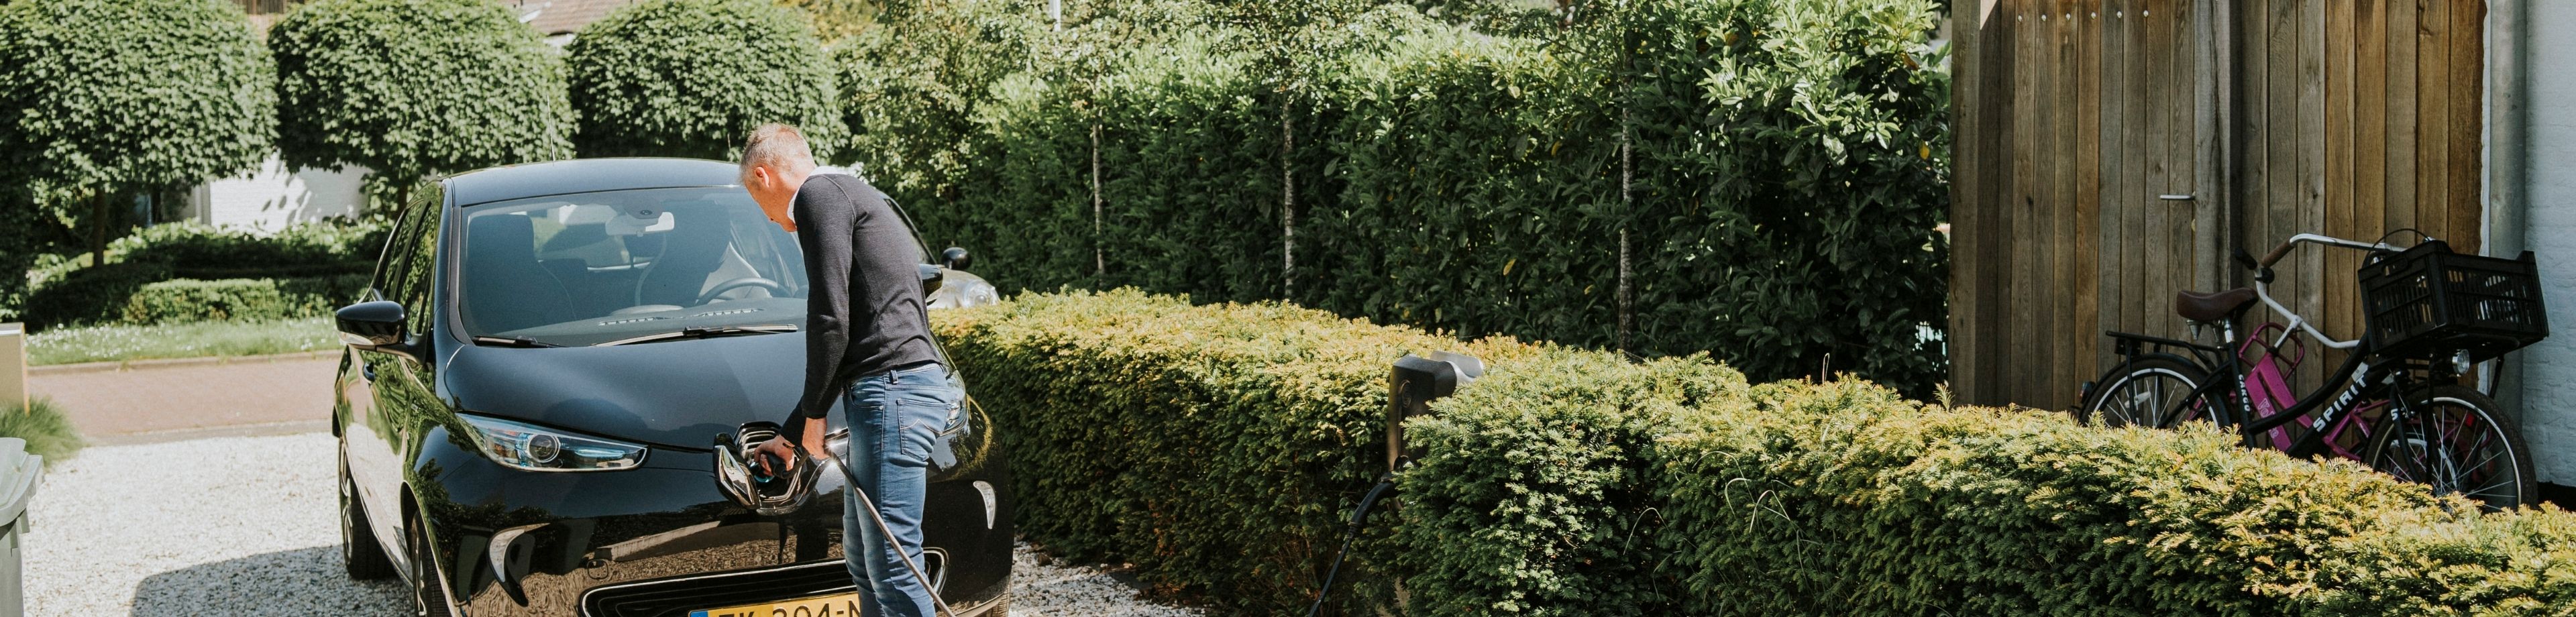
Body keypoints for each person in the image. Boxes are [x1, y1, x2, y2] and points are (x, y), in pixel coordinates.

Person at [739, 123, 961, 617]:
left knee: (893, 563)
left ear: (764, 176)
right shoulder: (849, 193)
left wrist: (817, 414)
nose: (777, 224)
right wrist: (794, 433)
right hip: (889, 392)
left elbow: (829, 319)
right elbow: (852, 334)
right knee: (867, 562)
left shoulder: (819, 197)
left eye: (763, 209)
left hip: (893, 394)